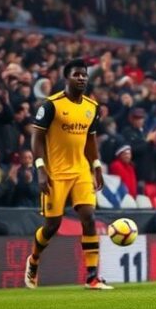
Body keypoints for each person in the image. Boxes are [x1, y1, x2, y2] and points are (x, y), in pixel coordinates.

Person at [24, 58, 112, 290]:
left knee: (89, 218)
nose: (82, 78)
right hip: (55, 173)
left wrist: (96, 167)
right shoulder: (51, 105)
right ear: (67, 78)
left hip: (81, 170)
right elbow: (37, 137)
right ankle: (33, 260)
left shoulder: (91, 107)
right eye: (77, 74)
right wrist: (40, 168)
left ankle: (92, 277)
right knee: (52, 225)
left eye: (84, 74)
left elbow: (90, 140)